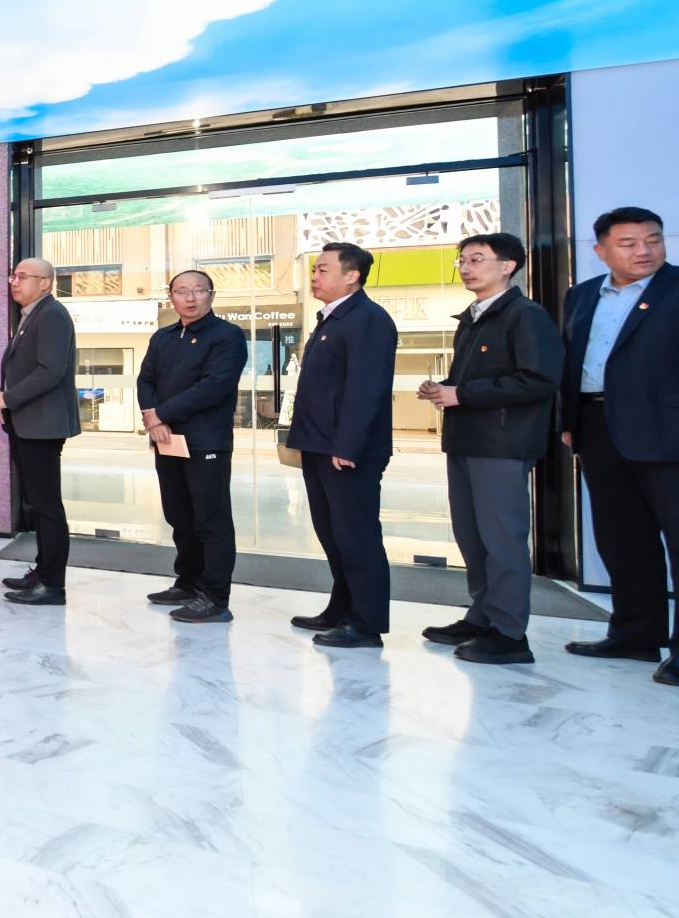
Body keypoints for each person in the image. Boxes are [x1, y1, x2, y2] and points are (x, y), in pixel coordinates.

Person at [415, 233, 563, 665]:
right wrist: (443, 389)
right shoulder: (473, 318)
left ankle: (509, 632)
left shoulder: (526, 315)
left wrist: (463, 394)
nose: (465, 267)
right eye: (462, 260)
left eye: (477, 259)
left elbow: (539, 379)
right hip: (466, 440)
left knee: (502, 540)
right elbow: (473, 382)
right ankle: (481, 616)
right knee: (471, 535)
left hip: (501, 444)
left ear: (508, 266)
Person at [559, 206, 679, 687]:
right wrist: (569, 421)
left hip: (666, 428)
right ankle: (635, 634)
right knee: (621, 536)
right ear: (601, 251)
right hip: (597, 425)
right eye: (628, 244)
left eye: (653, 239)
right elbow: (573, 360)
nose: (644, 250)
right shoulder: (582, 294)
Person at [285, 242, 398, 649]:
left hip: (347, 451)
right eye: (315, 269)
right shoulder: (331, 318)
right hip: (319, 445)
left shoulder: (368, 319)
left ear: (352, 276)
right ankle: (342, 608)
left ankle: (366, 624)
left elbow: (366, 389)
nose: (314, 276)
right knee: (333, 534)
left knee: (356, 536)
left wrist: (348, 445)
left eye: (323, 269)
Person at [136, 270, 247, 624]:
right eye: (182, 291)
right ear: (171, 297)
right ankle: (188, 583)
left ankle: (215, 597)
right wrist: (155, 419)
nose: (190, 297)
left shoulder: (227, 336)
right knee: (179, 515)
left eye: (199, 290)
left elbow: (213, 387)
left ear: (211, 295)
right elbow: (145, 380)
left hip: (206, 442)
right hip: (167, 439)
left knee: (210, 519)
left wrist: (161, 414)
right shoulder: (163, 337)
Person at [0, 259, 81, 606]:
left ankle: (52, 584)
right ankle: (43, 572)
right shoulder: (32, 316)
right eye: (13, 276)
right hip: (28, 423)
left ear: (45, 283)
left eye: (22, 276)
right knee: (38, 504)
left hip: (42, 426)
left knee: (46, 506)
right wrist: (4, 396)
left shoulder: (52, 315)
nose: (14, 282)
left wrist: (9, 398)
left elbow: (50, 371)